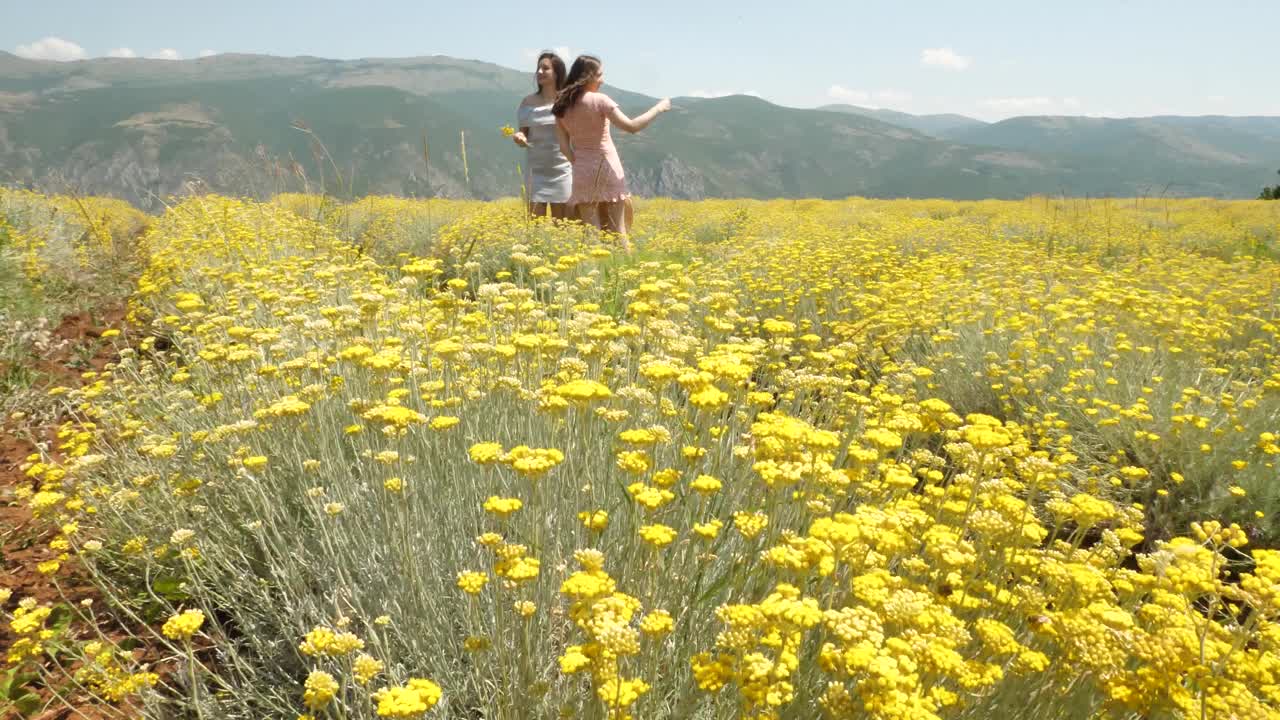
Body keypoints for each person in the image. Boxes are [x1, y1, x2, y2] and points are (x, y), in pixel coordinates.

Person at [552, 54, 670, 249]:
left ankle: (594, 276)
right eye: (599, 75)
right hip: (608, 167)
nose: (602, 79)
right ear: (588, 76)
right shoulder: (600, 100)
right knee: (618, 231)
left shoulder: (561, 106)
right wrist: (659, 108)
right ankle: (625, 275)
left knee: (592, 233)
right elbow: (632, 127)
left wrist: (580, 162)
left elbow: (564, 148)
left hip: (582, 171)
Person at [511, 52, 571, 219]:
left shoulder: (567, 101)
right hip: (535, 171)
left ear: (557, 73)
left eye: (545, 68)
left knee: (562, 228)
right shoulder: (527, 102)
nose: (539, 72)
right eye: (538, 68)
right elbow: (523, 132)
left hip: (562, 170)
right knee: (534, 230)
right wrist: (519, 137)